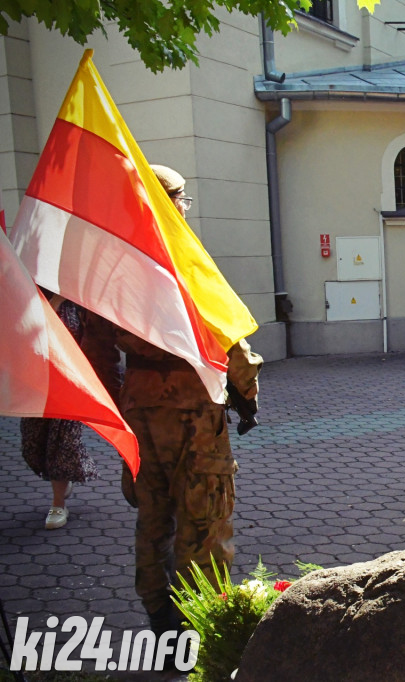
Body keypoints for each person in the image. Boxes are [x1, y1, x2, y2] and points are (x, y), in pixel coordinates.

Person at [118, 165, 263, 638]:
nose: (184, 209)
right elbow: (229, 336)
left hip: (138, 407)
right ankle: (197, 632)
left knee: (152, 517)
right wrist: (248, 392)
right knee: (203, 521)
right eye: (182, 200)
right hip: (195, 409)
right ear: (171, 204)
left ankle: (160, 620)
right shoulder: (184, 259)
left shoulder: (115, 263)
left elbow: (95, 342)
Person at [21, 293, 98, 530]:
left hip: (70, 383)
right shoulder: (26, 294)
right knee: (33, 445)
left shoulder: (75, 303)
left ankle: (57, 503)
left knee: (62, 442)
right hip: (36, 383)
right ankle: (67, 475)